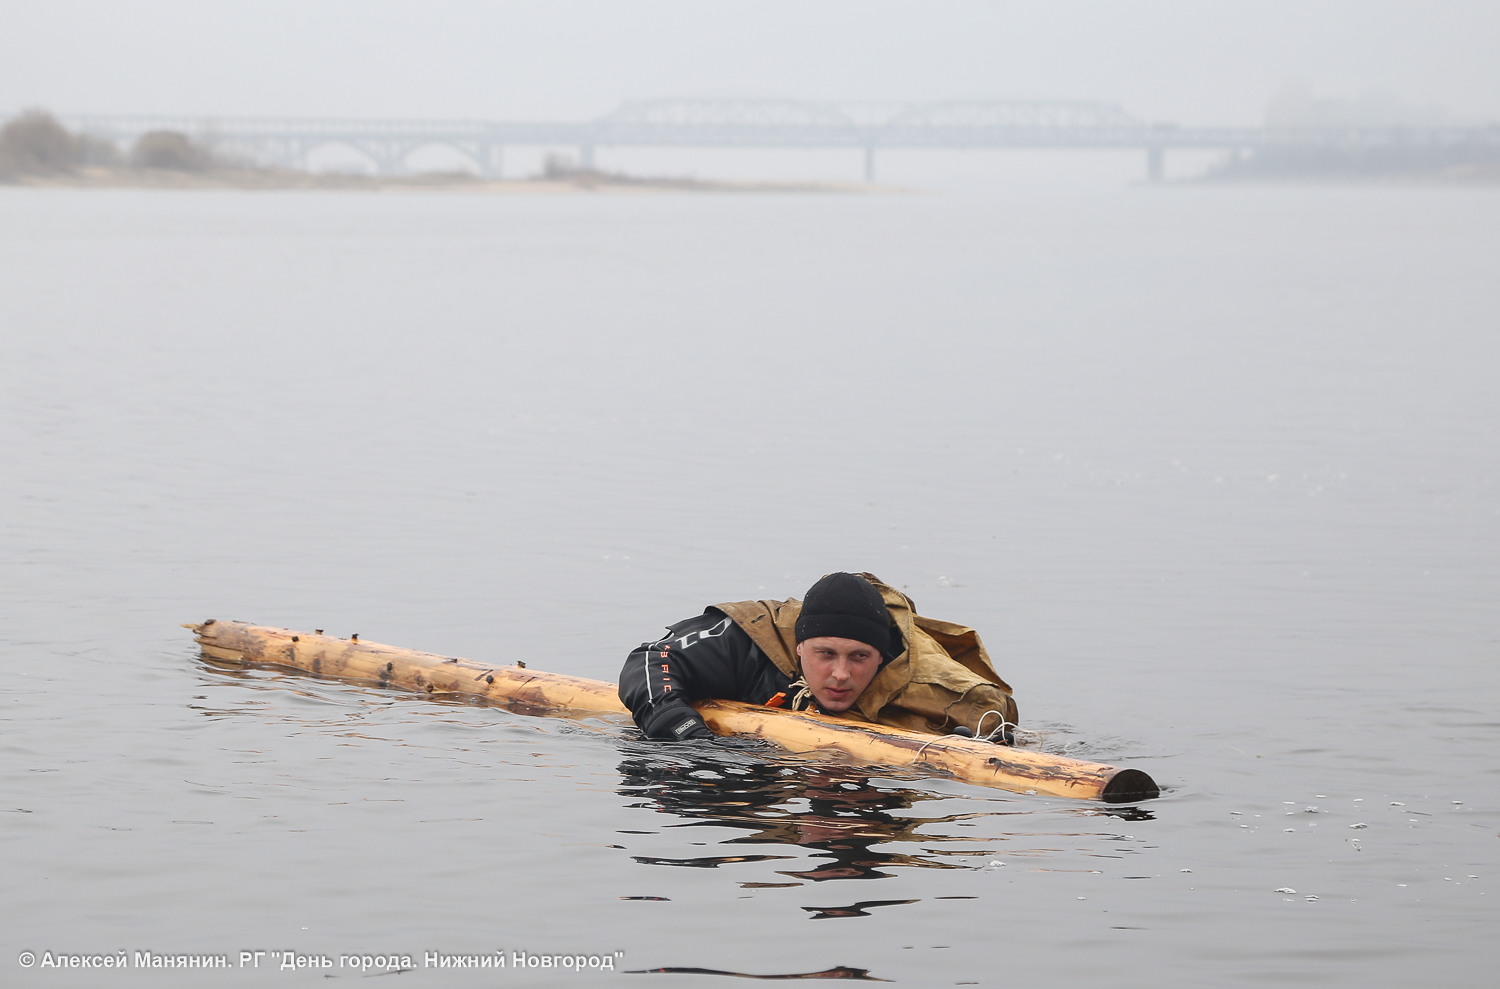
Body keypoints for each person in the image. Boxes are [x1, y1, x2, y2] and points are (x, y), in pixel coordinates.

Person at [618, 571, 1018, 742]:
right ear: (798, 648)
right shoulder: (751, 640)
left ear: (881, 658)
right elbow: (651, 660)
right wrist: (683, 731)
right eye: (825, 654)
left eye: (859, 657)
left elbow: (999, 720)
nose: (841, 674)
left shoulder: (936, 689)